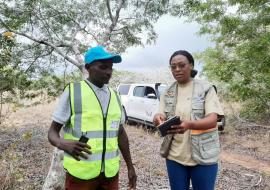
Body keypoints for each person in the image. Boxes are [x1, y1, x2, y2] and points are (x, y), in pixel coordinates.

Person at [48, 46, 137, 190]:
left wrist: (130, 167)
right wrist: (63, 144)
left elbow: (120, 133)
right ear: (88, 67)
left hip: (110, 174)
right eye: (103, 67)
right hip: (81, 174)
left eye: (111, 68)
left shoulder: (115, 96)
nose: (108, 72)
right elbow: (52, 132)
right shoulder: (73, 91)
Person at [153, 50, 224, 190]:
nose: (177, 69)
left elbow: (212, 119)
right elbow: (159, 113)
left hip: (203, 157)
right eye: (173, 66)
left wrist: (190, 124)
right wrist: (157, 118)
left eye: (181, 65)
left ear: (191, 65)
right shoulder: (168, 91)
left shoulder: (206, 88)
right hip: (175, 156)